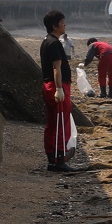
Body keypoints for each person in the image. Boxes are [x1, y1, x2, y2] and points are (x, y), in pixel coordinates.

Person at [40, 10, 77, 172]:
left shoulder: (46, 41)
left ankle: (53, 158)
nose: (65, 25)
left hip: (50, 85)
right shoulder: (54, 43)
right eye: (62, 23)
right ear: (55, 26)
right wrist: (60, 89)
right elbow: (57, 68)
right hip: (56, 86)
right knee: (60, 123)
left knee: (53, 123)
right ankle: (58, 160)